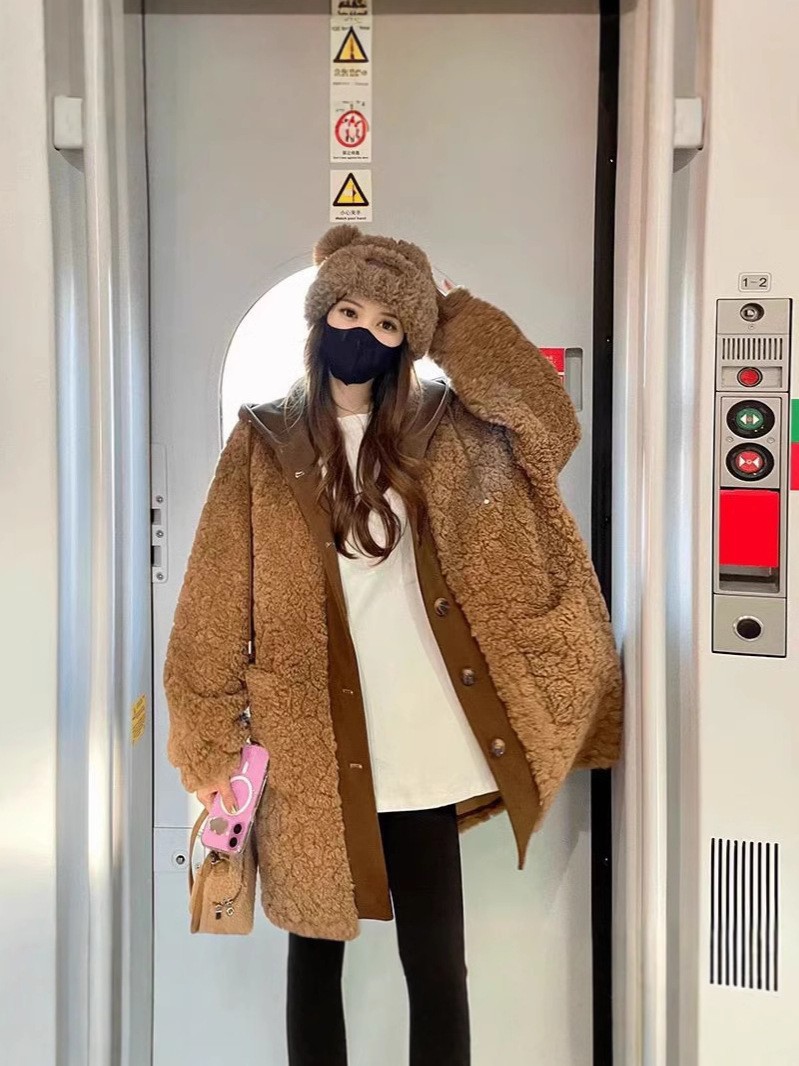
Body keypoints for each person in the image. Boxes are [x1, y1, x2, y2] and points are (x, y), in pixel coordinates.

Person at [163, 224, 623, 1066]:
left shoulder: (447, 430)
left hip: (420, 736)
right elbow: (215, 596)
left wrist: (448, 311)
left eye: (387, 323)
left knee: (437, 965)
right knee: (314, 956)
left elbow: (549, 422)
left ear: (409, 340)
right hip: (306, 739)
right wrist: (209, 741)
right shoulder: (263, 440)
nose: (363, 335)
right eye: (348, 311)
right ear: (319, 317)